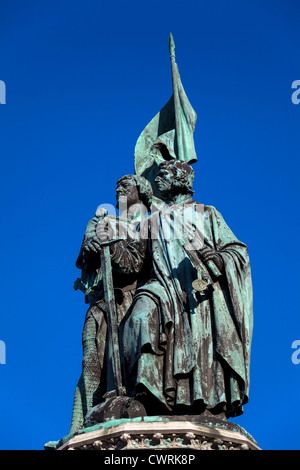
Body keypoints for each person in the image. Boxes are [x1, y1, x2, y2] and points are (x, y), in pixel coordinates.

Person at [120, 160, 253, 419]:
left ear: (181, 178)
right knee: (139, 316)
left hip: (197, 293)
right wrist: (110, 246)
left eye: (164, 174)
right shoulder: (152, 221)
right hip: (160, 286)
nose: (157, 180)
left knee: (199, 343)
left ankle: (202, 401)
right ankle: (148, 391)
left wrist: (217, 259)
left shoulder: (207, 213)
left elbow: (237, 251)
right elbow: (134, 264)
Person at [69, 174, 153, 433]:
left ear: (142, 191)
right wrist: (92, 247)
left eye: (126, 185)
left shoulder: (147, 223)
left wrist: (112, 245)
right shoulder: (100, 221)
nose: (118, 189)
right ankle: (78, 425)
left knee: (128, 364)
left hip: (129, 301)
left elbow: (134, 265)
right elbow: (83, 260)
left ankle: (127, 408)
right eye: (117, 186)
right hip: (101, 302)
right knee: (91, 361)